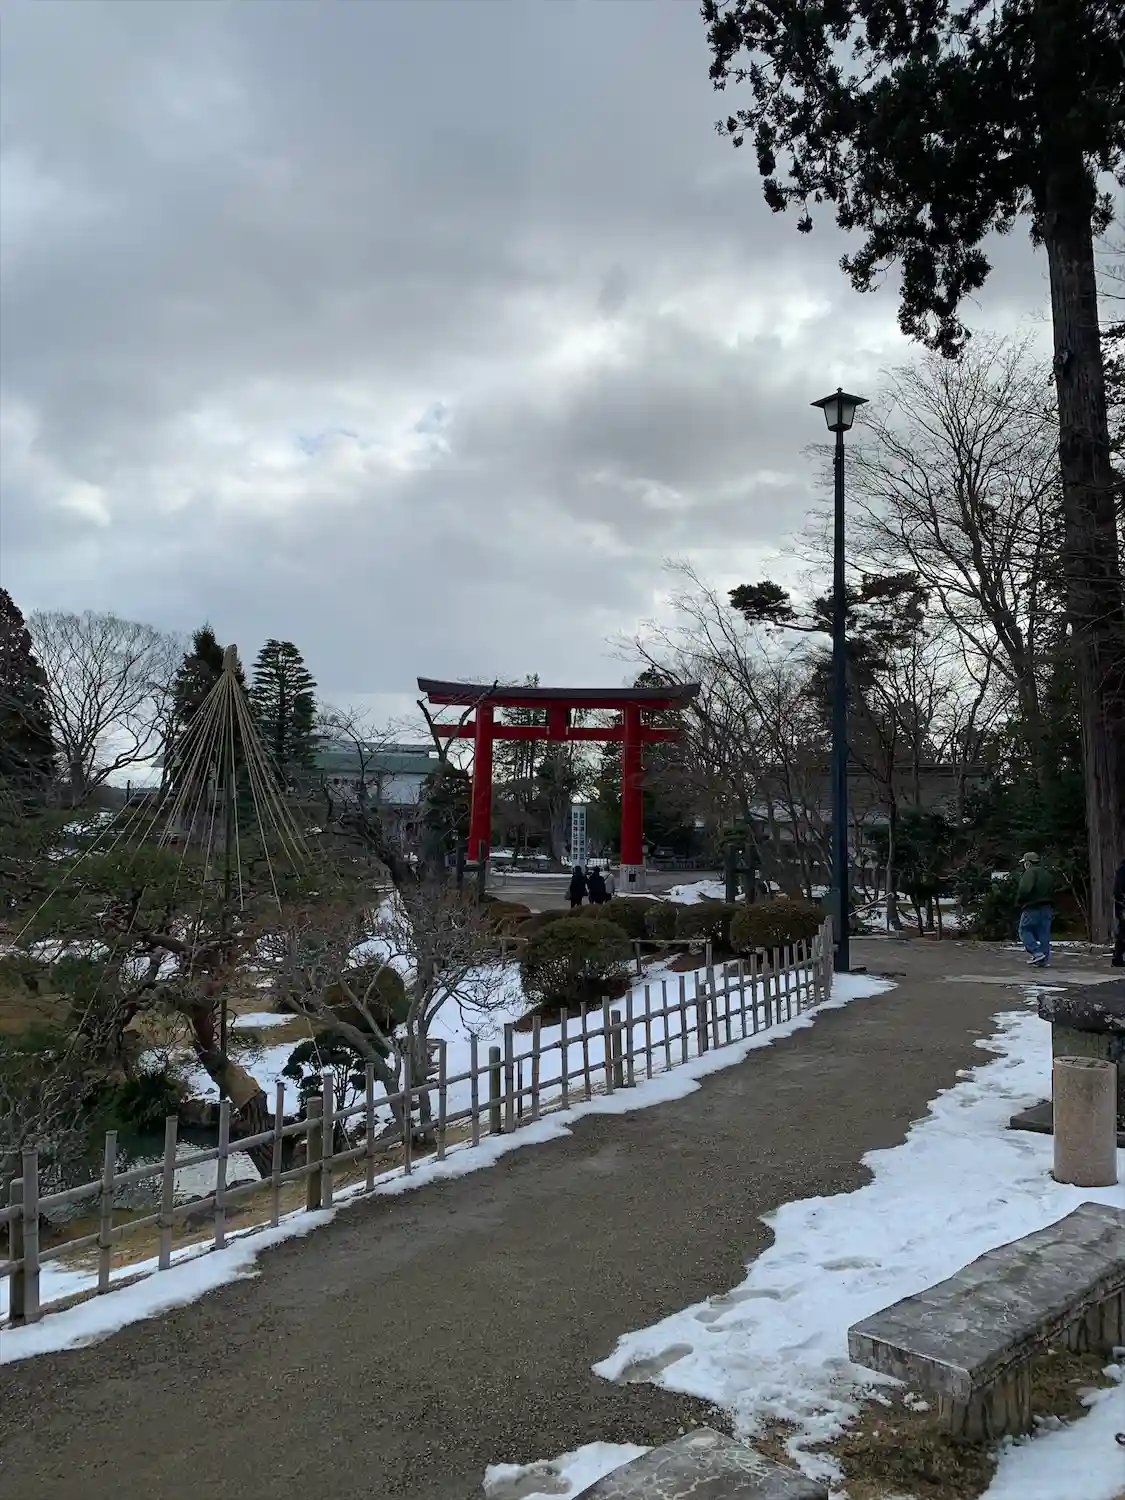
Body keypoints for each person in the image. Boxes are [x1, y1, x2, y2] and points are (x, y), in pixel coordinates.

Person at [1015, 852, 1054, 968]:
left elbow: (1024, 889)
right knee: (1044, 933)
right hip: (1047, 907)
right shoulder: (1046, 873)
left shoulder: (1030, 872)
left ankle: (1036, 952)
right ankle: (1043, 959)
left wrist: (1019, 900)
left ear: (1028, 863)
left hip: (1032, 906)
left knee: (1024, 930)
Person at [1112, 855, 1125, 968]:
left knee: (1122, 930)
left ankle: (1118, 956)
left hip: (1121, 904)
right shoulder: (1123, 869)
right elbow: (1118, 889)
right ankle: (1117, 956)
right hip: (1123, 905)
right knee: (1123, 931)